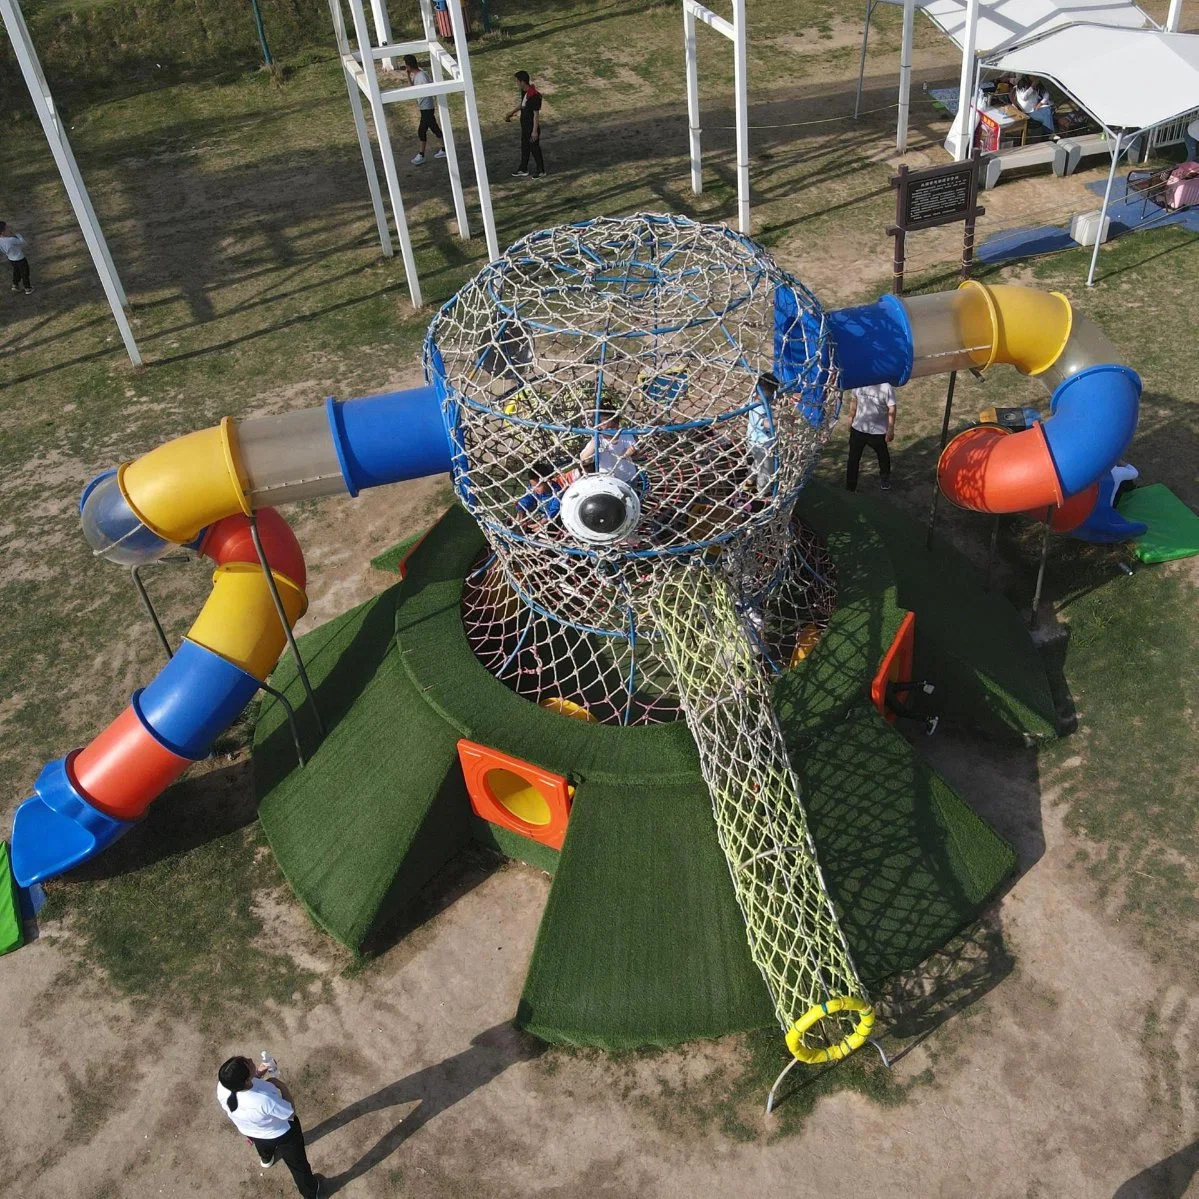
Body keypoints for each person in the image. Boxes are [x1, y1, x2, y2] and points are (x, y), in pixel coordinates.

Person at [216, 1055, 321, 1199]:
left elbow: (245, 1087)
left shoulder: (223, 1087)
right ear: (247, 1081)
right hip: (281, 1134)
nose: (251, 1059)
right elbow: (290, 1113)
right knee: (298, 1165)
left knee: (262, 1145)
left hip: (252, 1131)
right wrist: (281, 1086)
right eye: (248, 1062)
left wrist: (258, 1072)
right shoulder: (264, 1100)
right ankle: (311, 1192)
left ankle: (266, 1159)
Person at [844, 381, 895, 492]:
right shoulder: (860, 381)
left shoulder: (886, 387)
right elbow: (854, 400)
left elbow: (892, 408)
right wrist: (850, 417)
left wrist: (890, 428)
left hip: (878, 431)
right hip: (858, 429)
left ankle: (885, 478)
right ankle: (850, 486)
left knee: (883, 456)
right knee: (853, 458)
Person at [403, 54, 447, 165]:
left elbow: (425, 91)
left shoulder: (421, 76)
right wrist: (408, 76)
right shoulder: (418, 75)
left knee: (422, 131)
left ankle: (421, 155)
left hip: (427, 107)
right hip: (425, 107)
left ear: (408, 65)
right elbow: (412, 88)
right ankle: (444, 148)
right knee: (434, 128)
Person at [579, 405, 638, 484]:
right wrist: (594, 443)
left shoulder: (625, 435)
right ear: (599, 426)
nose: (610, 431)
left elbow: (635, 451)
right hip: (607, 479)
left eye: (613, 427)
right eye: (606, 428)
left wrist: (629, 452)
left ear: (618, 425)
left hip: (627, 476)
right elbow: (584, 459)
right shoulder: (598, 438)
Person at [505, 70, 545, 179]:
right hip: (525, 127)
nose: (517, 83)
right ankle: (523, 168)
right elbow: (522, 105)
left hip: (531, 128)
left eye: (517, 81)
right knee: (525, 148)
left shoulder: (534, 96)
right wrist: (511, 113)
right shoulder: (525, 92)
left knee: (535, 149)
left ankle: (541, 170)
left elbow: (536, 115)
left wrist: (534, 131)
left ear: (522, 82)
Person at [0, 222, 33, 294]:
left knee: (16, 271)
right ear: (3, 232)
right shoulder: (11, 239)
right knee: (25, 273)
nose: (9, 229)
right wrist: (17, 235)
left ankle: (15, 284)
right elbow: (23, 242)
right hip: (20, 258)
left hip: (11, 258)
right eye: (7, 228)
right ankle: (28, 288)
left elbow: (1, 250)